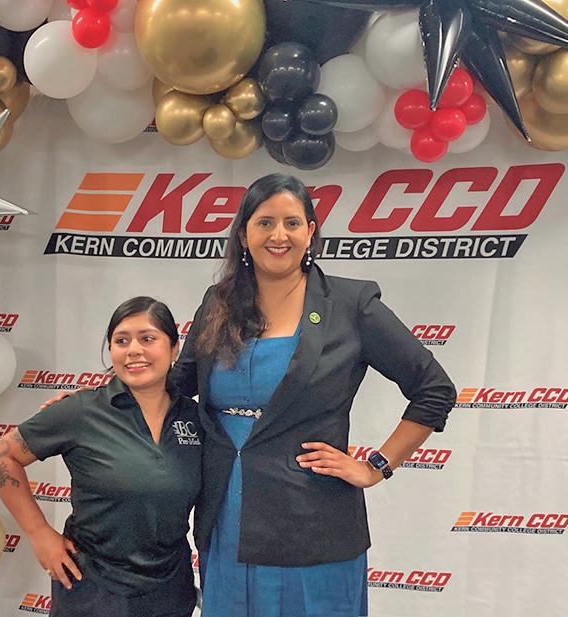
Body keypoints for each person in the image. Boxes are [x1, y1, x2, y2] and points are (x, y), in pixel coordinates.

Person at [174, 173, 456, 616]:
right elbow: (176, 388)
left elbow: (434, 390)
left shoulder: (351, 303)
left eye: (291, 223)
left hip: (312, 523)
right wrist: (95, 402)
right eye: (265, 222)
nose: (278, 235)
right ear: (244, 234)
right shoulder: (218, 303)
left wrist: (376, 466)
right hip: (225, 518)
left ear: (310, 231)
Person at [0, 297, 203, 617]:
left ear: (174, 350)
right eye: (121, 341)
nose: (134, 350)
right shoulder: (82, 410)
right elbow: (0, 457)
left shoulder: (195, 417)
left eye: (148, 338)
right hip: (93, 589)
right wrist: (39, 534)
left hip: (170, 590)